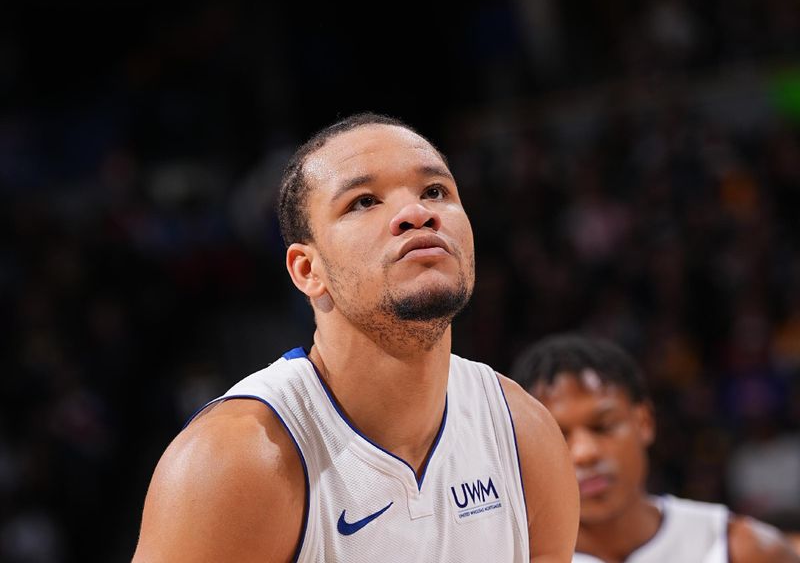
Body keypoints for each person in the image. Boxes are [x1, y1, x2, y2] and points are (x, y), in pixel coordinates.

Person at [132, 113, 579, 562]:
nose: (416, 213)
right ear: (308, 270)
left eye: (435, 191)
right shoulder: (236, 462)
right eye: (364, 201)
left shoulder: (523, 435)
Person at [511, 333, 800, 563]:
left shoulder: (742, 549)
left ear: (644, 421)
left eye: (603, 427)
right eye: (560, 437)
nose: (585, 452)